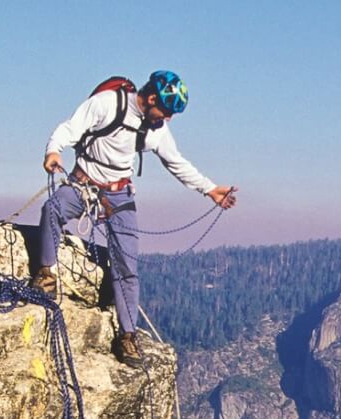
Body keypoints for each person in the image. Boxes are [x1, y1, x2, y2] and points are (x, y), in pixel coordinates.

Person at [32, 70, 238, 367]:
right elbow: (69, 128)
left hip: (119, 195)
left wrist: (209, 189)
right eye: (166, 111)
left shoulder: (156, 130)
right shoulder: (107, 105)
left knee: (127, 266)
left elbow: (176, 163)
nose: (167, 119)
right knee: (53, 210)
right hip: (82, 183)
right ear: (151, 97)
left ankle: (127, 335)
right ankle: (46, 273)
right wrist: (53, 152)